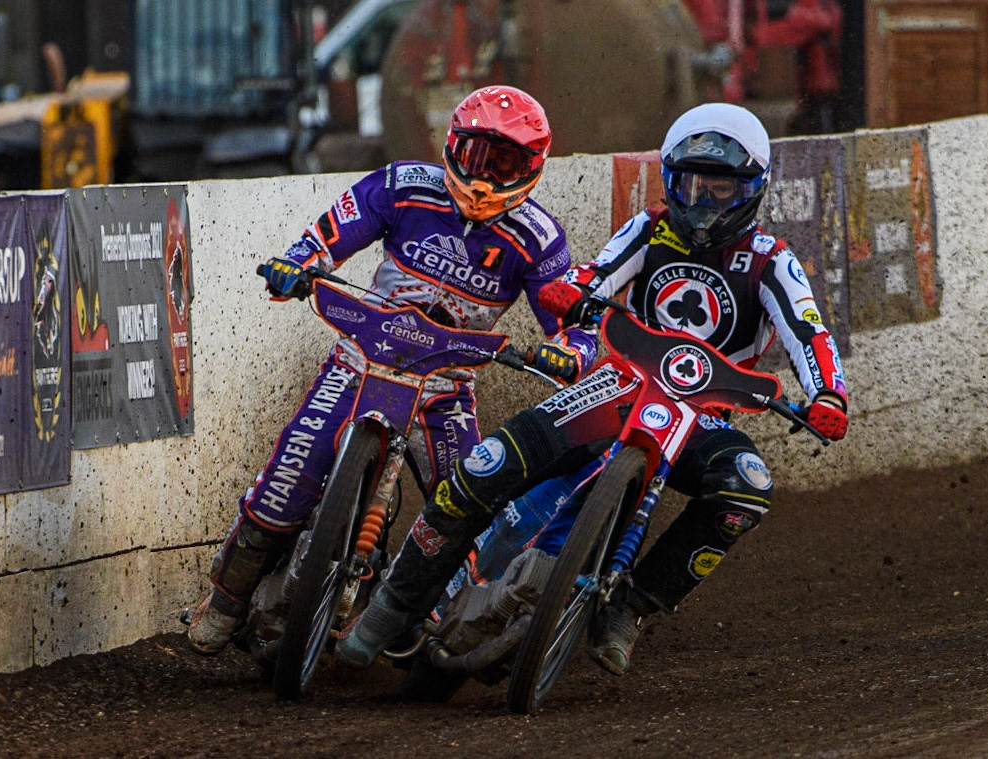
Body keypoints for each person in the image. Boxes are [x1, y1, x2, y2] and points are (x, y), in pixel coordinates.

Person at [335, 102, 849, 676]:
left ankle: (633, 604)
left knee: (746, 488)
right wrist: (573, 293)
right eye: (690, 185)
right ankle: (391, 606)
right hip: (616, 388)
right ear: (670, 180)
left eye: (720, 190)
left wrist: (828, 394)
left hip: (702, 419)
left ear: (752, 189)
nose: (702, 202)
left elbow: (809, 331)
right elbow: (596, 273)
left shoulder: (772, 261)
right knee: (484, 465)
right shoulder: (650, 228)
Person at [186, 85, 597, 655]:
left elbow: (572, 317)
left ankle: (423, 615)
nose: (484, 177)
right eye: (477, 155)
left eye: (503, 164)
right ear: (452, 145)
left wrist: (572, 351)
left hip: (445, 387)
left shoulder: (539, 238)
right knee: (284, 485)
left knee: (466, 508)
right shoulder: (402, 185)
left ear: (530, 168)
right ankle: (226, 601)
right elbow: (325, 236)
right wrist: (296, 264)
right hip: (360, 361)